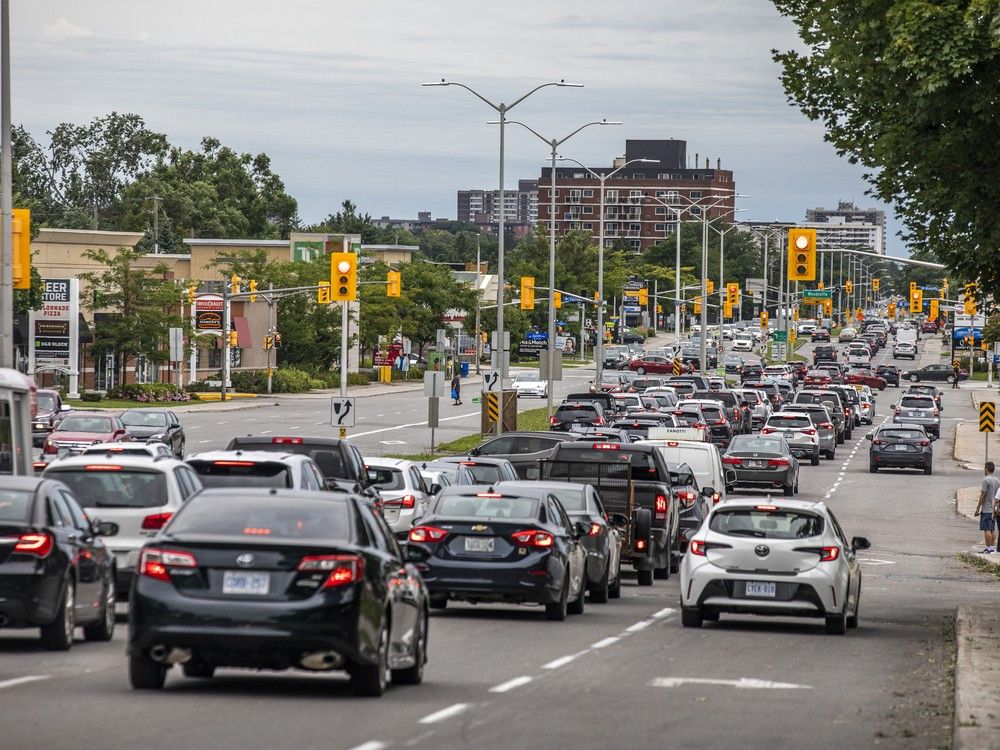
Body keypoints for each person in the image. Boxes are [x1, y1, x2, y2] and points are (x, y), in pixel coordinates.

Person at [976, 461, 999, 553]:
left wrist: (978, 507)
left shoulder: (986, 480)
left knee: (987, 529)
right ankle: (992, 548)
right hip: (994, 509)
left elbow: (983, 494)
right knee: (992, 529)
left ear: (986, 469)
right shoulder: (997, 480)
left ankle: (988, 548)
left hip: (987, 508)